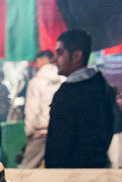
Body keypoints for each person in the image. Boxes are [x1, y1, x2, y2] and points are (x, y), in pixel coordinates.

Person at [45, 29, 116, 168]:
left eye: (60, 53)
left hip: (68, 178)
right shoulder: (103, 87)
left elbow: (58, 146)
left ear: (77, 55)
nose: (54, 60)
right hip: (96, 173)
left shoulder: (67, 94)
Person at [20, 51, 65, 168]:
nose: (36, 65)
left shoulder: (35, 82)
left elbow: (32, 110)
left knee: (26, 169)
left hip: (40, 132)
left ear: (43, 61)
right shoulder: (63, 80)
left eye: (37, 61)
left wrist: (29, 132)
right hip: (59, 131)